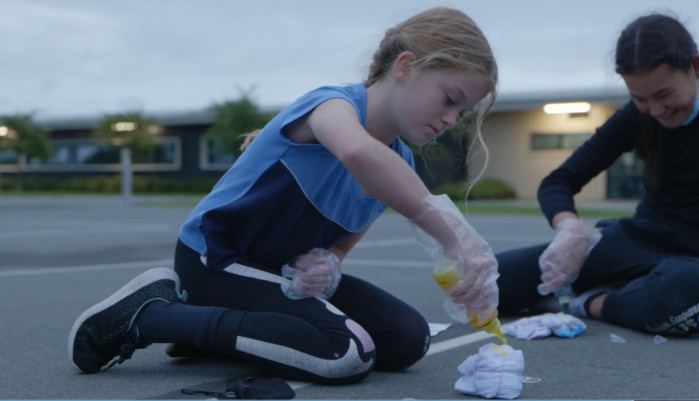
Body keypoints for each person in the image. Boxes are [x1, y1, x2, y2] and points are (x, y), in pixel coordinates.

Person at [68, 7, 500, 384]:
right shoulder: (331, 107)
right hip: (216, 262)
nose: (450, 119)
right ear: (405, 67)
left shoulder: (397, 164)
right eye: (449, 99)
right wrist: (453, 238)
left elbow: (344, 237)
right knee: (345, 353)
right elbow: (357, 151)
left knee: (407, 338)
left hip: (276, 277)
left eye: (461, 114)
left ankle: (220, 336)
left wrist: (329, 263)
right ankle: (148, 317)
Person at [496, 12, 699, 336]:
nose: (655, 110)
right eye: (640, 98)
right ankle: (619, 295)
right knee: (492, 280)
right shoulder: (639, 116)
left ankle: (591, 302)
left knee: (683, 295)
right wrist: (570, 230)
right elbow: (558, 181)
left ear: (696, 66)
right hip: (635, 242)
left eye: (664, 94)